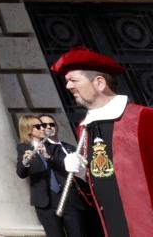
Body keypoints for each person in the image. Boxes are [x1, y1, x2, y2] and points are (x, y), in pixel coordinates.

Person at [51, 47, 153, 236]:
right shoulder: (85, 128)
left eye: (73, 80)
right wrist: (83, 176)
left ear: (99, 82)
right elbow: (100, 190)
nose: (68, 87)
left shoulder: (143, 118)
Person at [15, 114, 74, 237]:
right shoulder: (23, 148)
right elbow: (21, 173)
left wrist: (49, 157)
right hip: (44, 201)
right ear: (28, 130)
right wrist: (25, 162)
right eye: (38, 126)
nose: (43, 128)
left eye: (43, 125)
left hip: (65, 197)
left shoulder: (52, 145)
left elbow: (65, 166)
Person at [35, 114, 90, 236]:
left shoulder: (69, 147)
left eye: (52, 124)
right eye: (44, 125)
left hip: (74, 197)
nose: (49, 127)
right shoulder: (42, 148)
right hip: (55, 199)